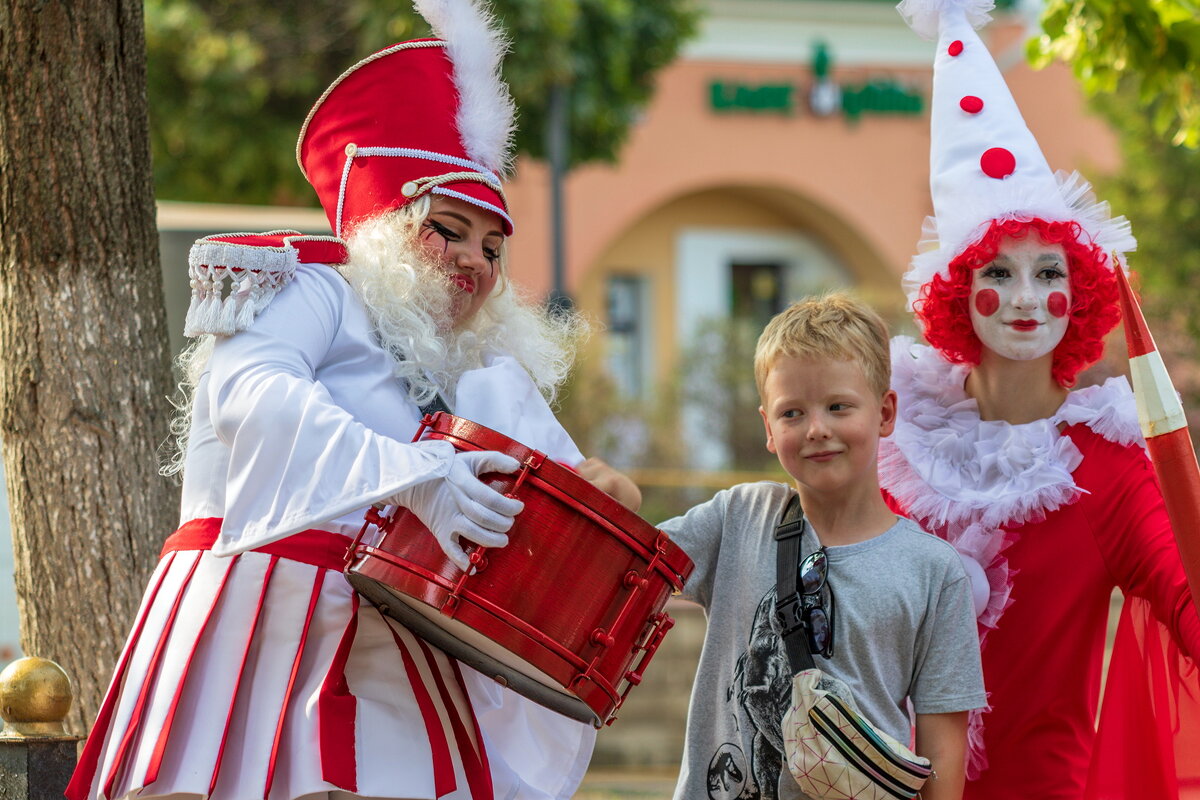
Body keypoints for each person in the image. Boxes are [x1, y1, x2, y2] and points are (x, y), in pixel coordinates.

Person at [65, 1, 639, 798]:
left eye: (493, 244)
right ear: (385, 226)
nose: (475, 259)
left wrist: (606, 492)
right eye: (449, 229)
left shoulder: (480, 369)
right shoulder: (306, 288)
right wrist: (412, 473)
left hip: (397, 648)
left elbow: (574, 488)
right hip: (258, 625)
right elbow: (251, 397)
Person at [884, 1, 1200, 796]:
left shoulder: (1110, 466)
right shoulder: (891, 446)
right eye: (999, 272)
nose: (1025, 297)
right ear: (959, 290)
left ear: (1081, 293)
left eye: (1050, 273)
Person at [661, 293, 986, 800]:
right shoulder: (737, 518)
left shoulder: (934, 571)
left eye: (838, 406)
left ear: (884, 413)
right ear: (769, 428)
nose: (817, 429)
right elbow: (623, 566)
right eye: (792, 413)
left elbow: (944, 748)